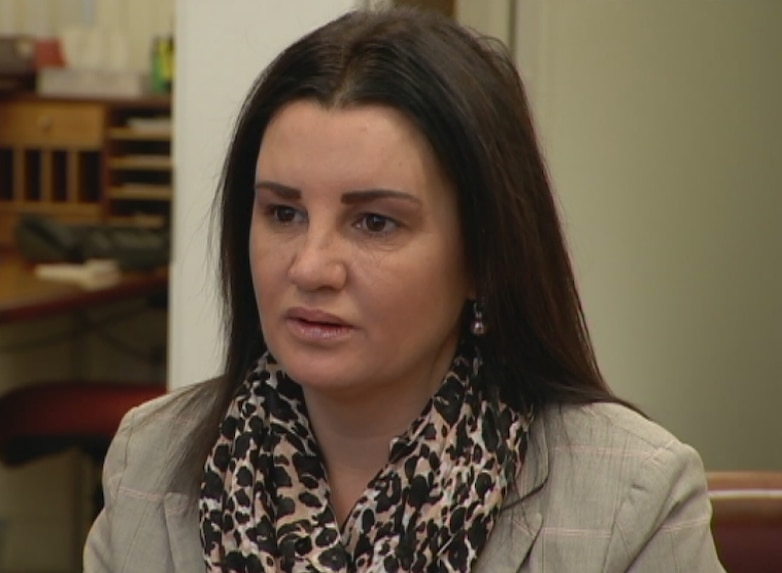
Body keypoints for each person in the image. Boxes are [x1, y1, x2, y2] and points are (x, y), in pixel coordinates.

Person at [84, 8, 726, 572]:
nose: (311, 267)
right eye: (283, 213)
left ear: (483, 256)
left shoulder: (630, 496)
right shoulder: (151, 460)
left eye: (374, 222)